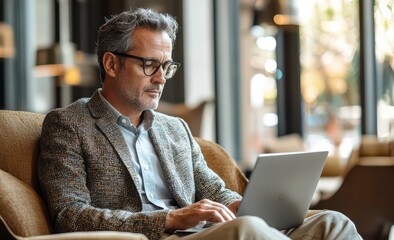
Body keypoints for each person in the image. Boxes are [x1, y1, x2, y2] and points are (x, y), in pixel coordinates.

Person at [38, 8, 362, 240]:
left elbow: (215, 191)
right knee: (247, 231)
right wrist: (171, 218)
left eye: (166, 66)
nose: (161, 78)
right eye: (150, 65)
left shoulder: (174, 129)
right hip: (156, 237)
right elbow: (71, 215)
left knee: (334, 223)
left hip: (209, 233)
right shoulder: (69, 125)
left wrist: (243, 205)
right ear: (111, 63)